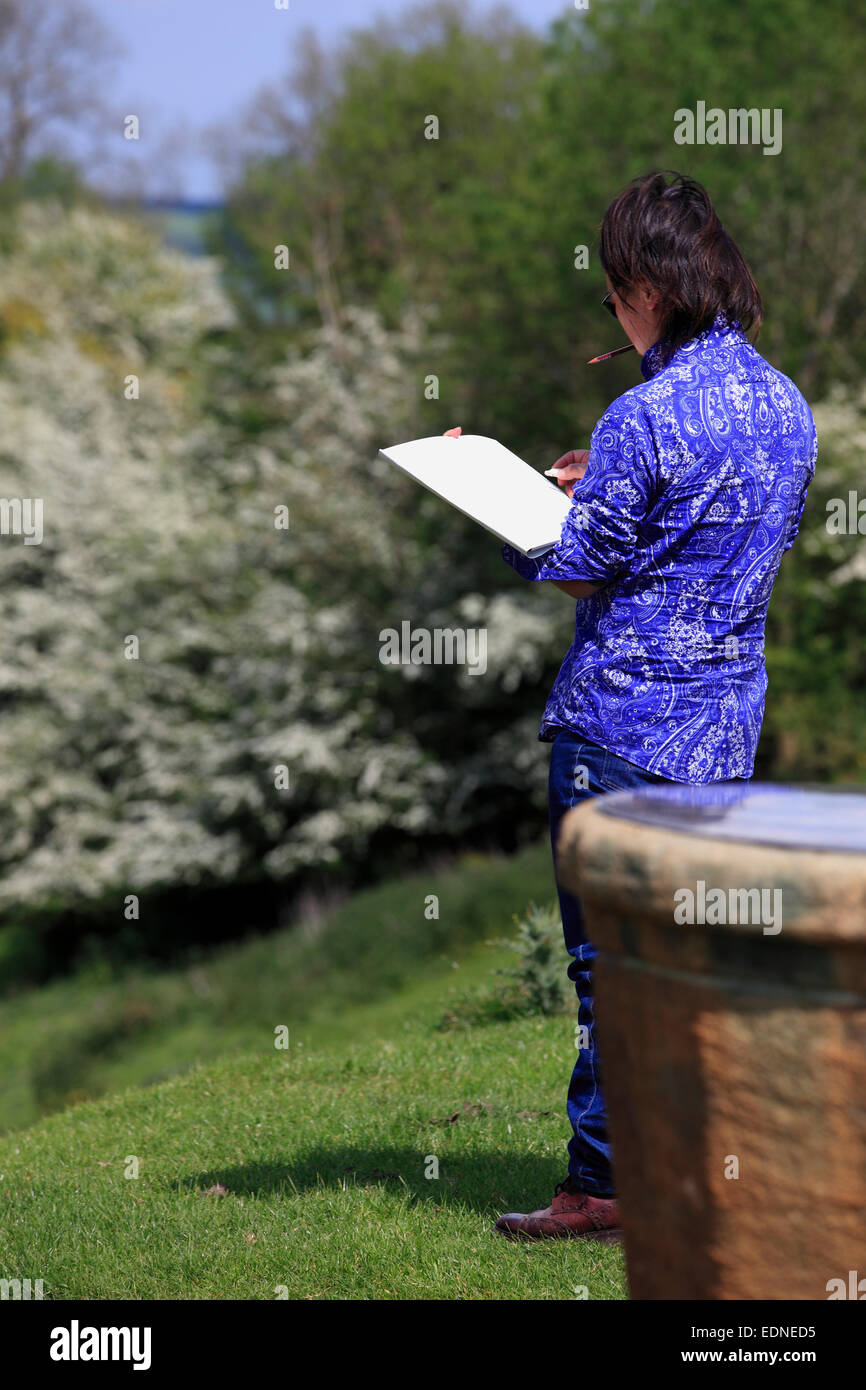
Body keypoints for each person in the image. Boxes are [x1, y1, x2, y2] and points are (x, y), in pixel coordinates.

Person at [476, 170, 816, 1240]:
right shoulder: (785, 404)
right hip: (721, 731)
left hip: (618, 729)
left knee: (608, 970)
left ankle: (604, 1188)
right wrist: (603, 487)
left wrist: (513, 504)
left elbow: (581, 571)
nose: (610, 314)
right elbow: (716, 542)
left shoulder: (641, 412)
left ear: (645, 286)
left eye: (613, 291)